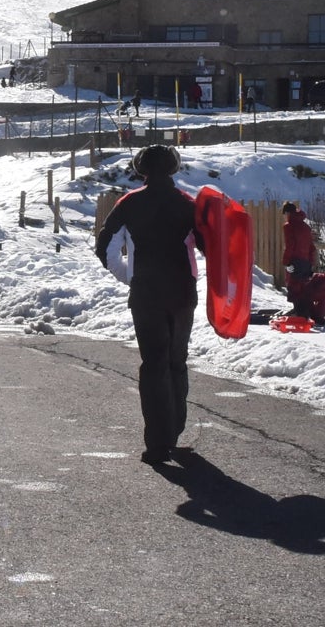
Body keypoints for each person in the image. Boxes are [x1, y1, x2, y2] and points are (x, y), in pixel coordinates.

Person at [94, 144, 202, 465]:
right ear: (173, 168)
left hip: (146, 295)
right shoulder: (188, 205)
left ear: (141, 169)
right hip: (183, 294)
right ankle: (175, 428)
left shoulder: (129, 203)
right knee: (176, 360)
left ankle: (158, 442)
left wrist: (128, 277)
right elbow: (212, 246)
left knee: (153, 363)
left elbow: (106, 246)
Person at [281, 201, 316, 283]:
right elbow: (311, 247)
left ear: (287, 213)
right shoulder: (306, 227)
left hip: (295, 263)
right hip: (306, 263)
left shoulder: (288, 226)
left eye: (284, 214)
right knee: (304, 290)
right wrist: (310, 264)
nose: (284, 217)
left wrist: (286, 262)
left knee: (293, 290)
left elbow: (290, 245)